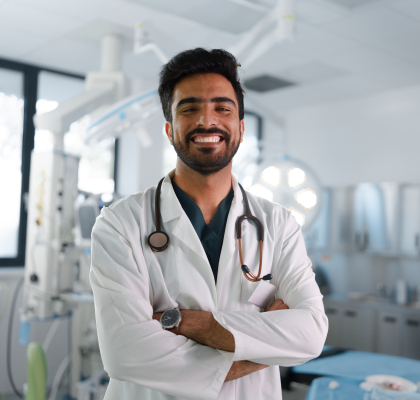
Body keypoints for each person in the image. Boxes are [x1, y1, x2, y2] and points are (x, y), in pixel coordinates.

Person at [89, 48, 328, 400]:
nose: (206, 121)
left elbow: (310, 334)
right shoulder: (120, 223)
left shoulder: (278, 222)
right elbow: (125, 353)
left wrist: (198, 324)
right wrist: (264, 343)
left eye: (222, 108)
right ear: (170, 130)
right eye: (189, 109)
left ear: (241, 128)